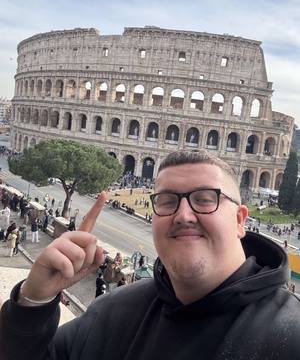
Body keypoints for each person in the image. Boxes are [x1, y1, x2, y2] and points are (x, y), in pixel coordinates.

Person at [1, 149, 300, 360]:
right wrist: (32, 303)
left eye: (205, 199)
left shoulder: (291, 337)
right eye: (168, 201)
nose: (184, 215)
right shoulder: (111, 311)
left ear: (239, 220)